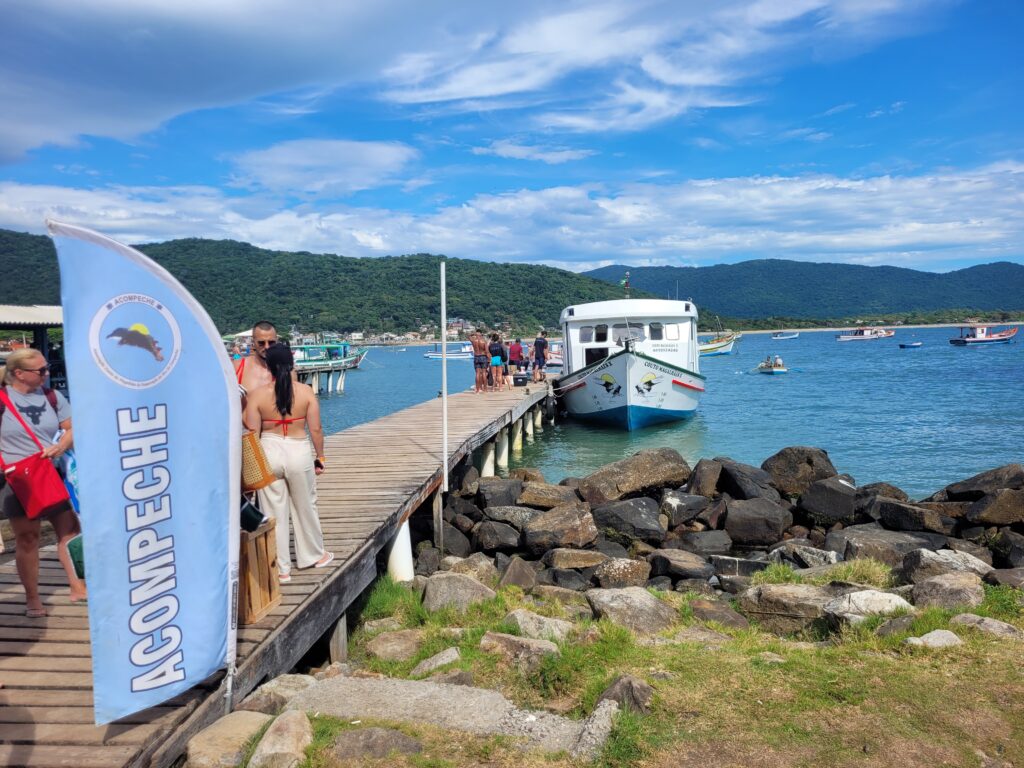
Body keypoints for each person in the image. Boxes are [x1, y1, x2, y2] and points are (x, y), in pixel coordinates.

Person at [0, 349, 86, 616]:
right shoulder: (3, 399)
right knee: (28, 537)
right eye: (41, 371)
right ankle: (33, 598)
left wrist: (61, 445)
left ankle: (78, 586)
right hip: (15, 480)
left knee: (70, 531)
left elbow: (72, 426)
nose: (47, 374)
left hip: (50, 474)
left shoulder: (52, 396)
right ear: (19, 374)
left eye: (47, 368)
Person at [243, 345, 333, 582]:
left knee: (273, 512)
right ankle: (313, 555)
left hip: (269, 449)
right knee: (306, 505)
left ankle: (281, 568)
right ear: (291, 365)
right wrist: (320, 456)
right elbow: (316, 429)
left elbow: (251, 432)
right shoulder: (305, 392)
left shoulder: (258, 395)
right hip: (298, 449)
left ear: (269, 367)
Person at [235, 321, 280, 397]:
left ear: (277, 341)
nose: (267, 347)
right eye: (261, 343)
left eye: (271, 342)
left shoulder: (286, 370)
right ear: (253, 342)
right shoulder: (237, 367)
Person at [470, 329, 489, 394]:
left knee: (477, 373)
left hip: (476, 357)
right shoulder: (484, 341)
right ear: (481, 335)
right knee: (484, 373)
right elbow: (486, 351)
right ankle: (485, 389)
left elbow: (468, 336)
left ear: (476, 335)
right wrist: (489, 358)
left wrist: (473, 334)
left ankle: (478, 389)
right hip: (483, 357)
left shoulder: (473, 341)